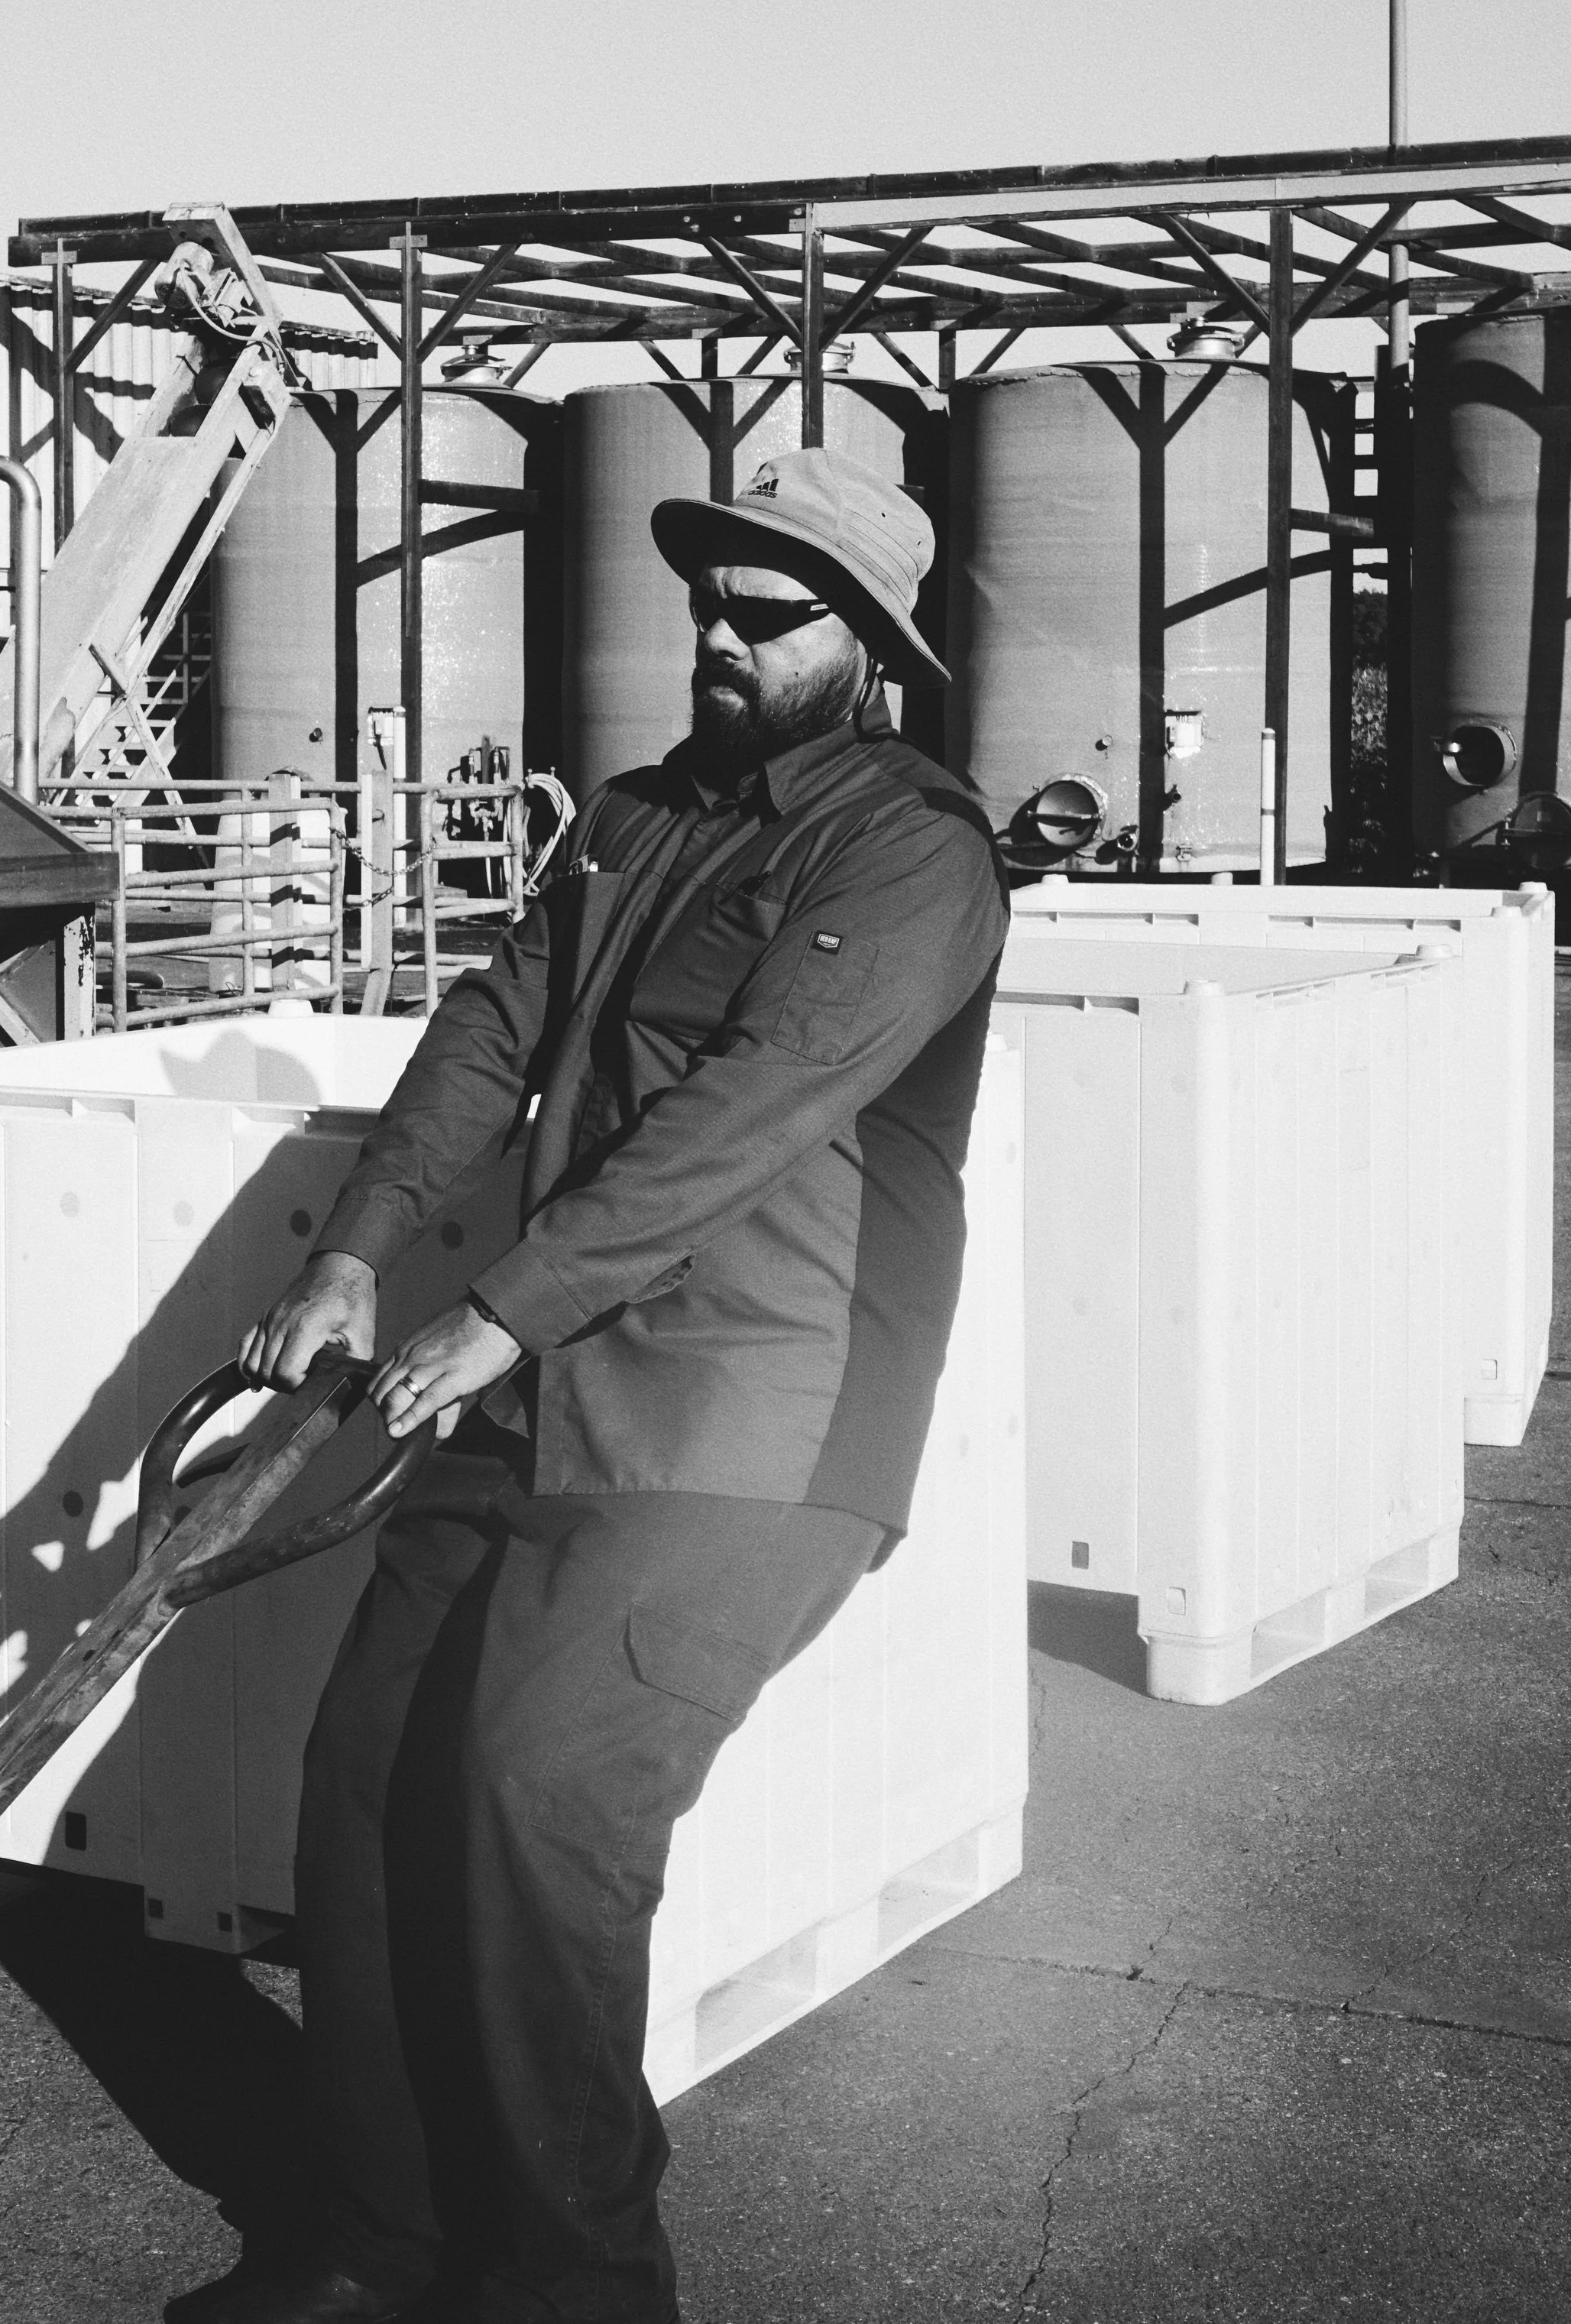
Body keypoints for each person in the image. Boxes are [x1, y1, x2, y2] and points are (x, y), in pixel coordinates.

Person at [188, 446, 1010, 2324]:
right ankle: (384, 2242)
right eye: (705, 605)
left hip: (751, 1419)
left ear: (867, 645)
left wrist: (496, 1310)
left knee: (528, 1796)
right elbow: (494, 1026)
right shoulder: (642, 815)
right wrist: (354, 1249)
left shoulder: (905, 848)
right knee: (368, 1776)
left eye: (765, 615)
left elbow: (744, 1116)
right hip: (531, 1385)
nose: (715, 639)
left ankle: (567, 2289)